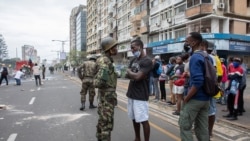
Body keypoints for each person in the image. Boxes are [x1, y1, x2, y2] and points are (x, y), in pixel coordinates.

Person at [179, 32, 210, 141]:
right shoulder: (207, 56)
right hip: (206, 99)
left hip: (195, 98)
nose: (185, 43)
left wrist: (186, 98)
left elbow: (198, 82)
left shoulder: (195, 57)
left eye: (187, 41)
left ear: (194, 42)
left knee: (184, 126)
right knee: (202, 129)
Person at [126, 39, 153, 141]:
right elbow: (126, 74)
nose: (132, 50)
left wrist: (130, 72)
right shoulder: (133, 60)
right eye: (131, 48)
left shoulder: (147, 61)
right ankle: (137, 138)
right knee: (134, 118)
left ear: (140, 47)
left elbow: (137, 77)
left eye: (133, 47)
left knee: (143, 120)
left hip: (141, 95)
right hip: (131, 93)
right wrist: (132, 73)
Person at [94, 37, 118, 141]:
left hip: (104, 97)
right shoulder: (105, 61)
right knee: (106, 125)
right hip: (107, 98)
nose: (117, 49)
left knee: (102, 122)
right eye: (115, 47)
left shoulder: (103, 60)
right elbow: (99, 82)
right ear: (110, 49)